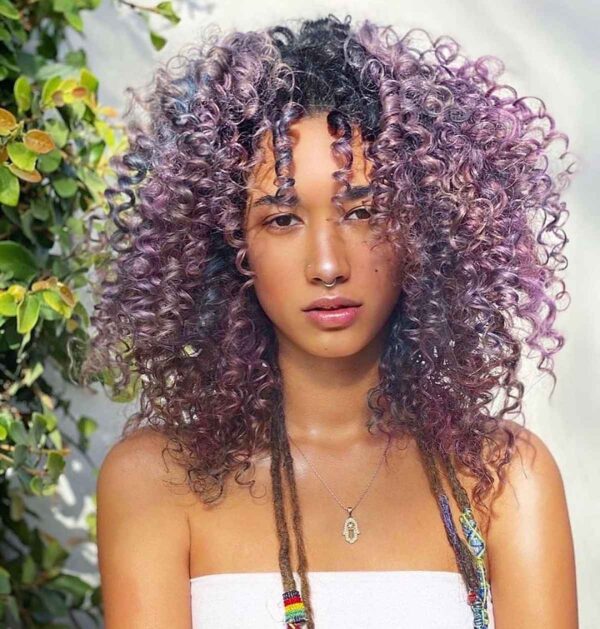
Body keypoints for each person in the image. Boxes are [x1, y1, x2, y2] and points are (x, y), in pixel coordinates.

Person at [83, 14, 578, 629]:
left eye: (364, 212)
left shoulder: (503, 478)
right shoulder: (154, 481)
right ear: (228, 243)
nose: (327, 265)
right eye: (282, 220)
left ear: (424, 227)